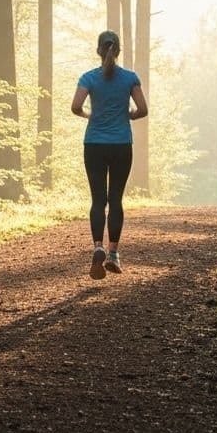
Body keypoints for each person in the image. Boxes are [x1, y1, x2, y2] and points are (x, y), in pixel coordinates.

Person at [71, 29, 148, 279]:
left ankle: (98, 247)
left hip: (93, 144)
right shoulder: (130, 78)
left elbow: (75, 107)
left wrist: (89, 115)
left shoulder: (88, 78)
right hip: (121, 145)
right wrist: (128, 116)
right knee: (115, 199)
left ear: (98, 50)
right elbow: (143, 109)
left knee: (97, 200)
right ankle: (113, 253)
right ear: (118, 50)